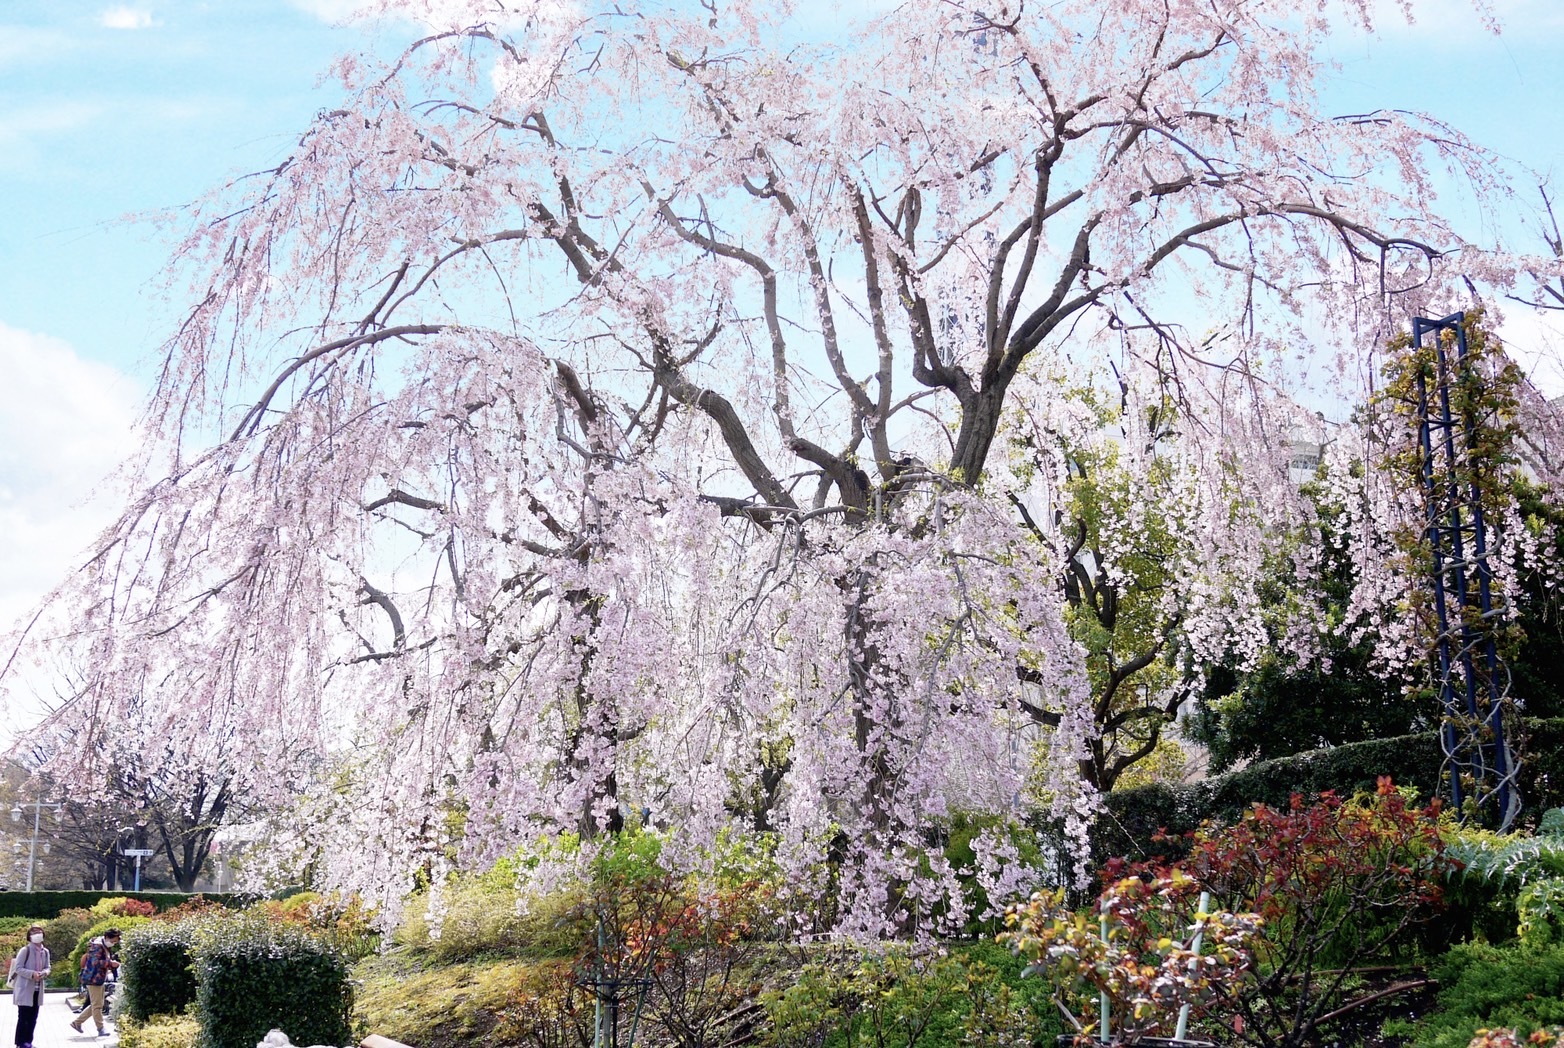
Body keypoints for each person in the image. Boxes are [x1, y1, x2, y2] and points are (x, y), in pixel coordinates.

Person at [70, 928, 121, 1038]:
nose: (114, 943)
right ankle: (100, 1028)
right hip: (93, 979)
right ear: (107, 937)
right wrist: (111, 963)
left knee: (96, 1004)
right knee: (97, 1006)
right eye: (113, 941)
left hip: (98, 978)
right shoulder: (97, 946)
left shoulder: (104, 945)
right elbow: (95, 962)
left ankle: (77, 1023)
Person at [7, 924, 48, 1048]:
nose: (37, 934)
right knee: (24, 1017)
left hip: (37, 989)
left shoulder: (45, 951)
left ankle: (28, 1042)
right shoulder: (25, 950)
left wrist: (45, 972)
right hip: (25, 989)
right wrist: (32, 974)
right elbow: (18, 968)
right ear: (29, 937)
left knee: (33, 1017)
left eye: (39, 932)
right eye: (34, 932)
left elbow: (48, 966)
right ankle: (21, 1042)